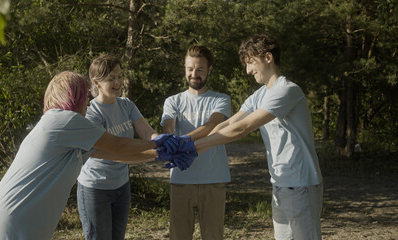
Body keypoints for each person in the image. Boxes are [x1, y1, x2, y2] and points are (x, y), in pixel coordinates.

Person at [0, 71, 180, 240]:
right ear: (74, 97)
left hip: (9, 219)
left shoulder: (66, 131)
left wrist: (159, 155)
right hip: (15, 222)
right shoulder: (65, 120)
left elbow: (115, 155)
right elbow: (117, 145)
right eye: (85, 96)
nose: (88, 103)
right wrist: (157, 143)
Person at [188, 33, 323, 239]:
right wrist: (190, 143)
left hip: (301, 185)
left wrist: (195, 149)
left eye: (251, 63)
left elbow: (243, 128)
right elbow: (230, 122)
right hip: (280, 183)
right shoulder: (260, 94)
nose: (248, 70)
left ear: (268, 58)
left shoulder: (287, 90)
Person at [76, 54, 164, 240]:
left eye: (120, 76)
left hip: (121, 186)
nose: (118, 82)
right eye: (111, 78)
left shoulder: (127, 105)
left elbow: (148, 133)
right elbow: (114, 152)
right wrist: (156, 152)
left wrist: (163, 140)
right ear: (96, 83)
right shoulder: (91, 114)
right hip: (95, 189)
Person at [161, 45, 231, 240]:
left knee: (213, 236)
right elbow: (168, 128)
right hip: (181, 180)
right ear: (184, 68)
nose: (194, 74)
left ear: (209, 70)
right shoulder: (172, 101)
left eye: (200, 69)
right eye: (190, 68)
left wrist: (184, 141)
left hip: (213, 180)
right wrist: (169, 139)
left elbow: (212, 125)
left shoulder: (221, 99)